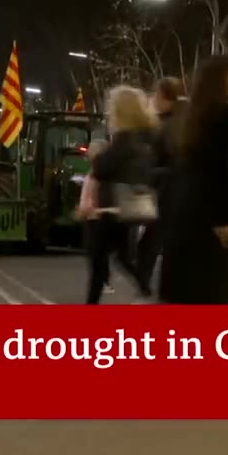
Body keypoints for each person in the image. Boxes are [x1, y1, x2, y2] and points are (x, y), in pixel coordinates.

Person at [159, 57, 228, 304]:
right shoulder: (224, 115)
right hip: (213, 221)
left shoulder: (188, 117)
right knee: (215, 291)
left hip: (185, 217)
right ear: (223, 80)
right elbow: (223, 170)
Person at [87, 85, 156, 303]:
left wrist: (98, 157)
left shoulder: (124, 139)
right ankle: (144, 287)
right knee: (122, 256)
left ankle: (90, 306)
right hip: (126, 206)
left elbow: (102, 168)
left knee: (98, 259)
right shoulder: (144, 137)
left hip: (113, 207)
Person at [143, 76, 184, 294]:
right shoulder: (172, 122)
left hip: (166, 193)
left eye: (156, 94)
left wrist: (149, 173)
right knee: (156, 245)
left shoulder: (170, 126)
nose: (153, 99)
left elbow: (173, 163)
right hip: (167, 192)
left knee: (152, 245)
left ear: (164, 97)